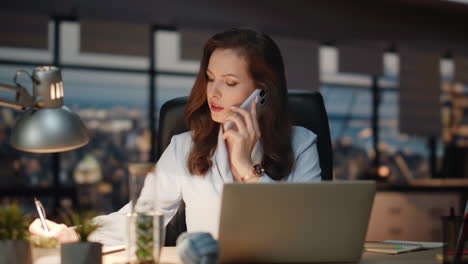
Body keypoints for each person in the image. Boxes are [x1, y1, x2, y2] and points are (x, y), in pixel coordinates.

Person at [29, 28, 322, 245]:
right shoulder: (187, 146)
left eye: (230, 82)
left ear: (263, 93)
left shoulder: (302, 144)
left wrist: (246, 169)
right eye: (210, 78)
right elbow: (143, 218)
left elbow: (310, 232)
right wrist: (74, 234)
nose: (214, 93)